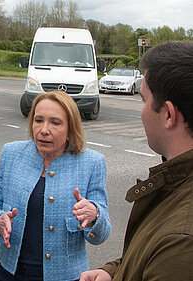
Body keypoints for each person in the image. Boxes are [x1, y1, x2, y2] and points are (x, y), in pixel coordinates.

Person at [80, 41, 193, 281]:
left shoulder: (182, 242)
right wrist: (114, 272)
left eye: (143, 100)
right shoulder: (177, 185)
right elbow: (149, 253)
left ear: (169, 115)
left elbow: (168, 250)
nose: (141, 111)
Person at [0, 90, 111, 281]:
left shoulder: (92, 163)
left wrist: (94, 215)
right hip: (10, 273)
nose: (44, 129)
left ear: (71, 127)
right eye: (38, 120)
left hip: (67, 276)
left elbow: (102, 234)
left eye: (55, 122)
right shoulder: (11, 153)